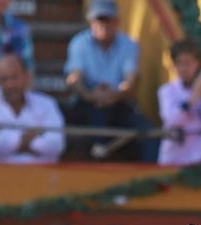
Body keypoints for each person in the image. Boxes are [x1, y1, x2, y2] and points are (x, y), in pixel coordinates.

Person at [63, 0, 155, 162]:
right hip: (87, 103)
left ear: (117, 21)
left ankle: (154, 180)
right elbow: (74, 79)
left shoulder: (128, 45)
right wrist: (92, 96)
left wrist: (114, 95)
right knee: (96, 125)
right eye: (100, 20)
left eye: (108, 20)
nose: (104, 25)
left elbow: (130, 82)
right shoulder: (79, 43)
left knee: (149, 133)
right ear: (91, 22)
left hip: (118, 103)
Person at [0, 52, 64, 164]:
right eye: (4, 79)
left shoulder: (47, 104)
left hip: (41, 176)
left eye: (15, 77)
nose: (10, 84)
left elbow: (56, 145)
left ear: (26, 76)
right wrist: (30, 137)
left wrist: (6, 140)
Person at [156, 39, 201, 167]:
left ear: (197, 64)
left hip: (200, 155)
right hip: (173, 155)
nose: (184, 68)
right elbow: (173, 120)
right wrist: (194, 95)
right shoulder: (166, 91)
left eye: (188, 63)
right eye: (179, 63)